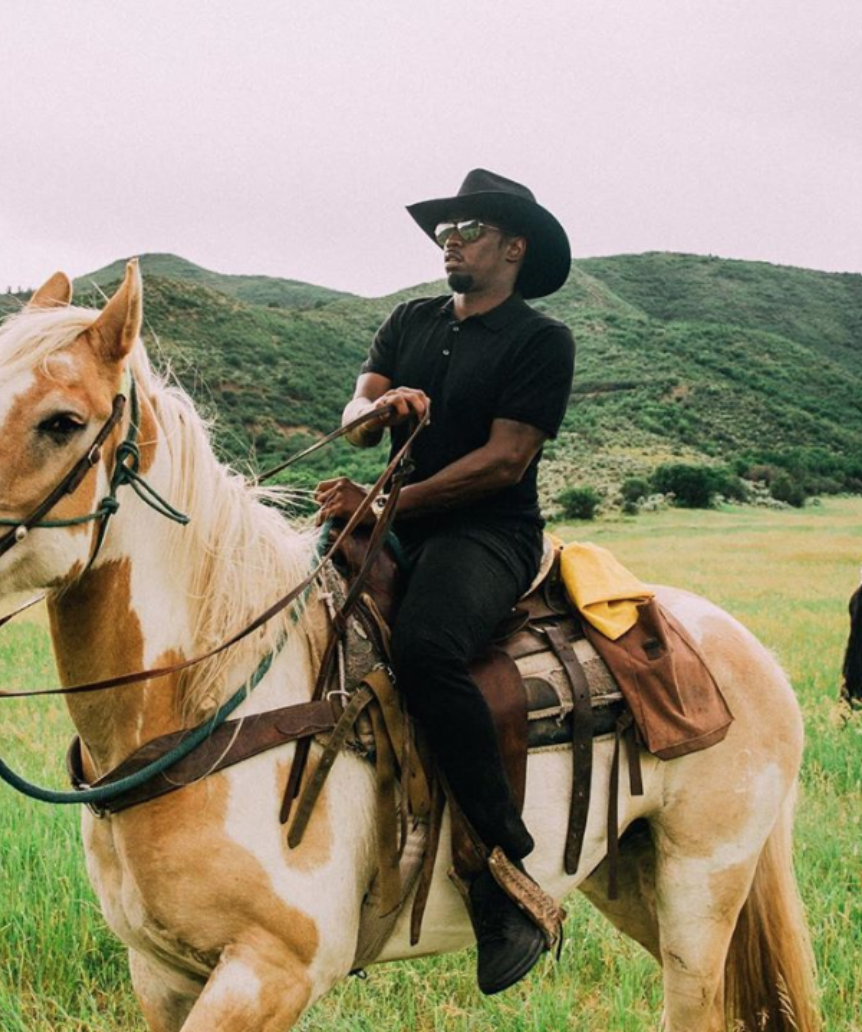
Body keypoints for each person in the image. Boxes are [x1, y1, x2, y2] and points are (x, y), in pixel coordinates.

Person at [314, 169, 575, 995]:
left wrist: (386, 505)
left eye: (468, 227)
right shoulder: (408, 321)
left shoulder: (541, 340)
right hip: (386, 515)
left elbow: (507, 460)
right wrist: (380, 417)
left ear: (512, 246)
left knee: (427, 650)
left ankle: (500, 872)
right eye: (443, 229)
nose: (449, 239)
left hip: (487, 531)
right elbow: (353, 421)